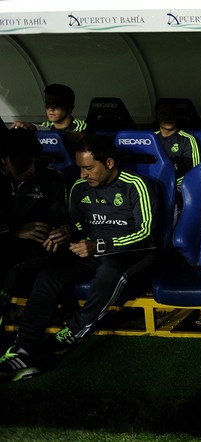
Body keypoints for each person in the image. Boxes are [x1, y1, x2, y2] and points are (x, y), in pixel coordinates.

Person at [0, 135, 158, 381]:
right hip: (91, 249)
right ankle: (23, 347)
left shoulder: (136, 185)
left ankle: (73, 331)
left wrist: (100, 244)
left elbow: (147, 234)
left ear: (108, 162)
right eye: (80, 168)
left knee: (111, 272)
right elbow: (77, 222)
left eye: (88, 168)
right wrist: (67, 231)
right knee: (49, 274)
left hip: (128, 252)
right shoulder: (79, 187)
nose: (83, 174)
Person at [0, 128, 72, 325]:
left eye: (36, 161)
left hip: (37, 249)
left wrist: (62, 232)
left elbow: (63, 217)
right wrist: (13, 230)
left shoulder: (50, 178)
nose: (32, 169)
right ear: (5, 158)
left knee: (7, 268)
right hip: (5, 241)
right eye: (25, 162)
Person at [11, 84, 89, 153]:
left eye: (56, 104)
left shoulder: (82, 126)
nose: (51, 108)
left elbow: (78, 136)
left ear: (70, 107)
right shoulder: (44, 125)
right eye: (48, 103)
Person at [154, 98, 201, 188]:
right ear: (156, 116)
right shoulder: (151, 139)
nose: (168, 117)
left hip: (178, 185)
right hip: (154, 184)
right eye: (163, 113)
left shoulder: (187, 140)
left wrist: (169, 183)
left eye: (172, 113)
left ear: (177, 116)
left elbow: (193, 171)